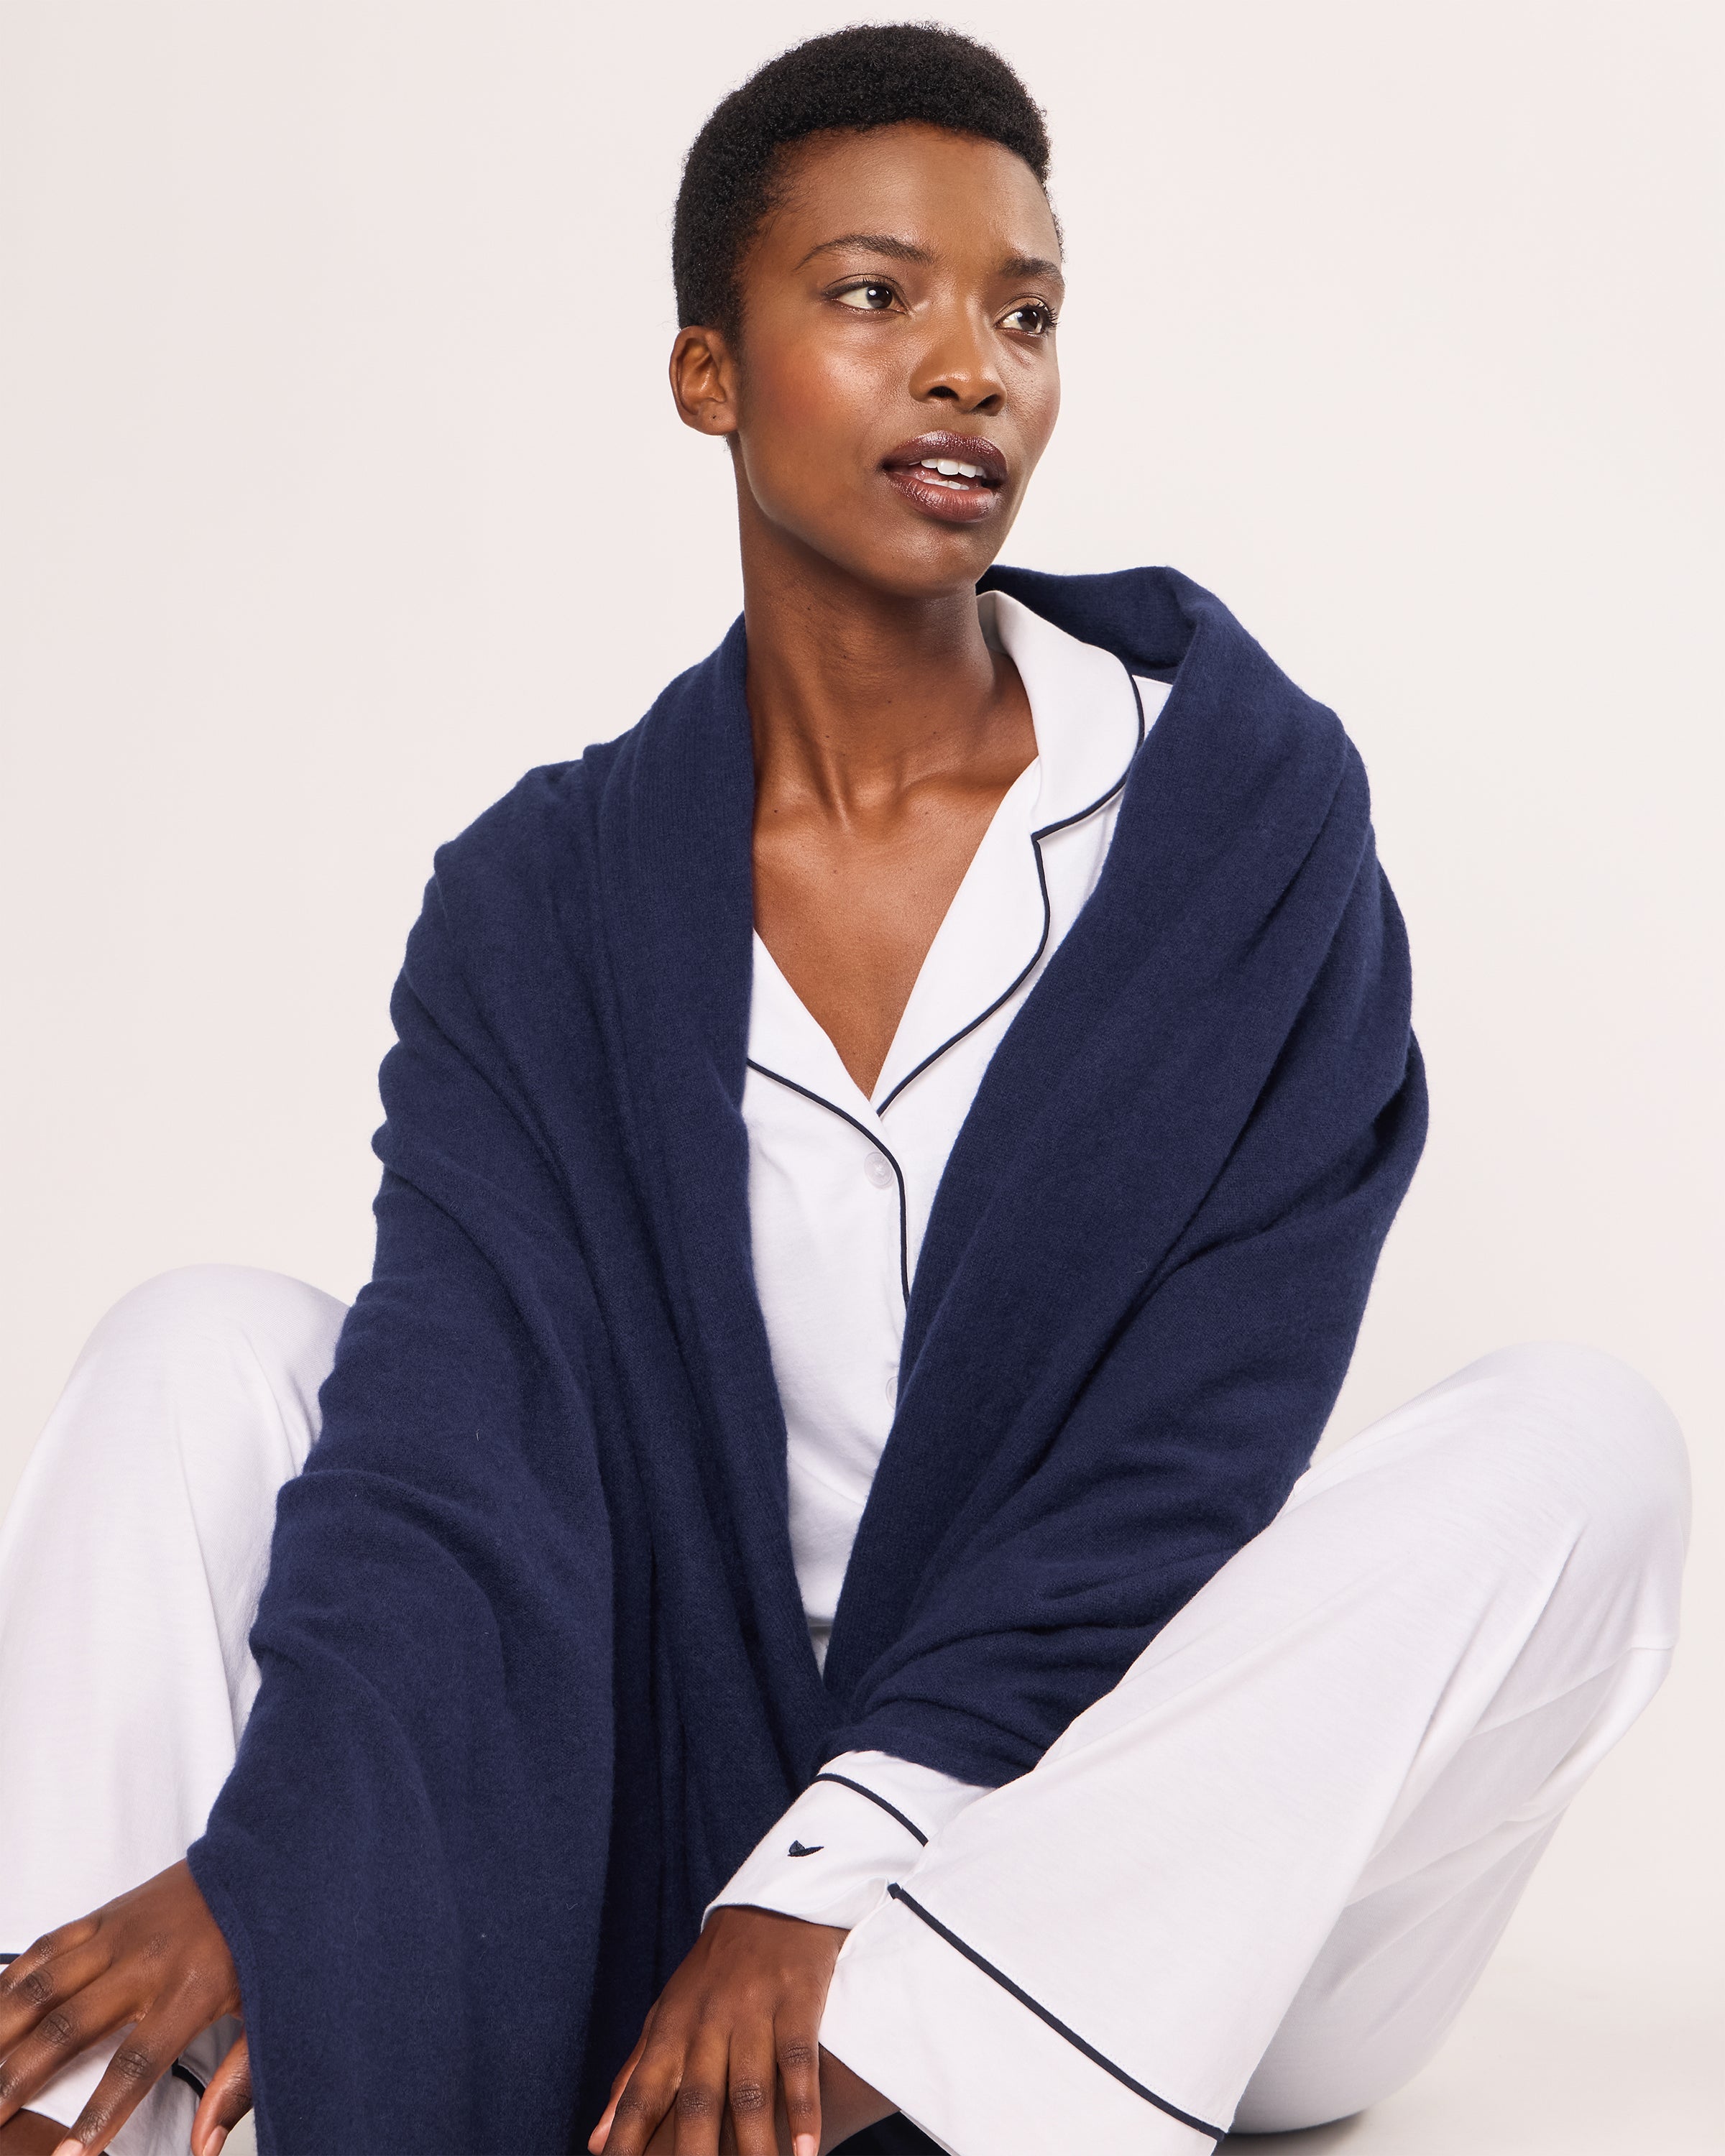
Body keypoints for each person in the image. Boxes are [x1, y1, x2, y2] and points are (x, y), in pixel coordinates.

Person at [0, 24, 1688, 2156]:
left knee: (1582, 1446)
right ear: (709, 371)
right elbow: (460, 1417)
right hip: (641, 1833)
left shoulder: (1240, 821)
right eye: (879, 295)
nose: (973, 364)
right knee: (199, 1347)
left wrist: (832, 1881)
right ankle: (82, 2087)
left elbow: (1192, 1449)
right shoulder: (541, 901)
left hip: (1149, 1880)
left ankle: (874, 2091)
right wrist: (279, 1865)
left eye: (1027, 311)